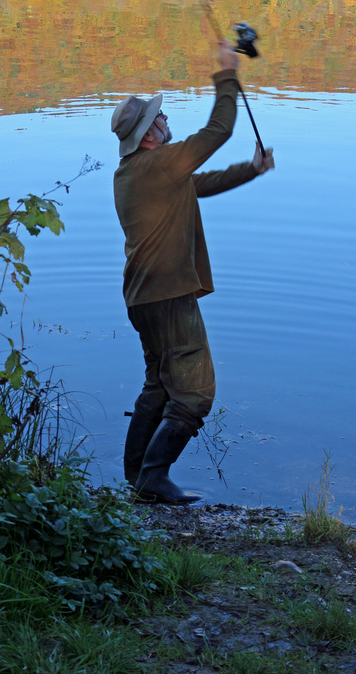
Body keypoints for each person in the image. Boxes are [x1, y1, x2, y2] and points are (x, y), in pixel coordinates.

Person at [111, 41, 275, 504]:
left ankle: (135, 475)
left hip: (142, 298)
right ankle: (153, 476)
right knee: (195, 393)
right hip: (169, 297)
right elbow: (218, 130)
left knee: (159, 383)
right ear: (147, 136)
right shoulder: (160, 163)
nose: (167, 122)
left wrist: (252, 170)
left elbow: (199, 185)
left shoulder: (135, 172)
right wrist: (227, 74)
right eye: (160, 120)